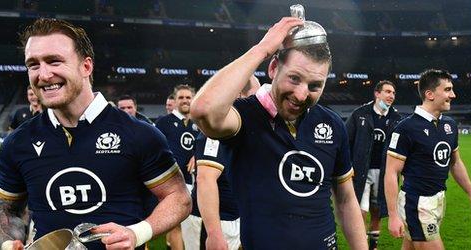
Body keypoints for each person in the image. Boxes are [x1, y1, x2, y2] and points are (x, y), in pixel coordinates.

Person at [0, 18, 191, 250]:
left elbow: (179, 197)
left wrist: (136, 233)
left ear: (86, 66)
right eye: (33, 64)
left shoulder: (139, 134)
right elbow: (3, 210)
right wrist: (7, 243)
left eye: (54, 61)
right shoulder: (18, 143)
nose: (43, 75)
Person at [190, 17, 367, 249]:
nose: (302, 95)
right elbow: (204, 110)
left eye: (315, 85)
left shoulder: (331, 123)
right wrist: (262, 48)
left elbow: (345, 200)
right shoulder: (245, 117)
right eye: (294, 78)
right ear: (273, 68)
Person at [384, 69, 471, 249]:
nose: (453, 95)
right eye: (447, 90)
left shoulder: (450, 125)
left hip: (439, 199)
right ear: (429, 94)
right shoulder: (406, 128)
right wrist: (393, 215)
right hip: (417, 203)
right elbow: (391, 172)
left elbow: (455, 163)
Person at [184, 75, 260, 250]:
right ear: (238, 95)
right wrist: (214, 233)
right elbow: (206, 180)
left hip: (234, 215)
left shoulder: (242, 127)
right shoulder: (218, 129)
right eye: (254, 96)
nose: (259, 102)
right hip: (215, 220)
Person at [345, 80, 401, 249]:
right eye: (387, 92)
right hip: (361, 170)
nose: (391, 96)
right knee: (360, 211)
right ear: (377, 94)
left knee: (377, 210)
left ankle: (373, 246)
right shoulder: (360, 114)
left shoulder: (396, 118)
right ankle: (360, 245)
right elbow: (346, 142)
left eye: (393, 93)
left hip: (385, 172)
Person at [155, 84, 199, 250]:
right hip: (173, 183)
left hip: (198, 182)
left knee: (196, 226)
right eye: (181, 97)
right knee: (177, 225)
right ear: (174, 100)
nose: (185, 100)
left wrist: (198, 155)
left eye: (188, 97)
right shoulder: (163, 123)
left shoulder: (199, 122)